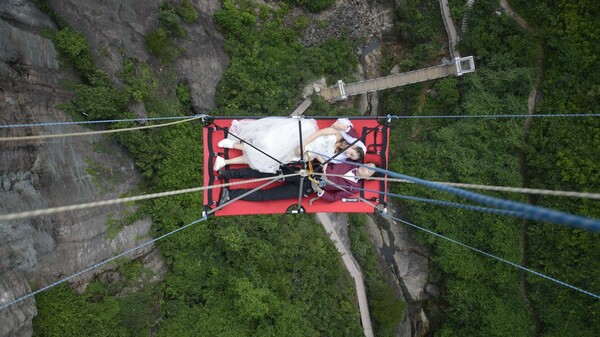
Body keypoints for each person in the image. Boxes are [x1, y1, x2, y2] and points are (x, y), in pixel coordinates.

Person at [213, 117, 366, 173]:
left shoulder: (337, 153)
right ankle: (233, 144)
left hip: (304, 153)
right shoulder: (337, 135)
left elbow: (319, 154)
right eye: (351, 153)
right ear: (352, 146)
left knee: (267, 159)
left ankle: (225, 161)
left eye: (350, 157)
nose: (348, 155)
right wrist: (302, 144)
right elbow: (318, 134)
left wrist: (323, 164)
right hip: (304, 137)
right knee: (267, 146)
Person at [218, 162, 378, 204]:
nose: (365, 168)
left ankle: (230, 195)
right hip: (306, 172)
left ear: (368, 178)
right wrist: (324, 166)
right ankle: (228, 174)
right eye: (368, 165)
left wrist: (320, 191)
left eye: (369, 171)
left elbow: (333, 198)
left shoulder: (354, 188)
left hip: (306, 189)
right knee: (265, 173)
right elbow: (329, 157)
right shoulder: (349, 162)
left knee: (267, 195)